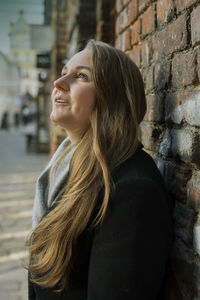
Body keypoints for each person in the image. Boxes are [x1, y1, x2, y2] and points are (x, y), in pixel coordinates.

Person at [27, 40, 174, 300]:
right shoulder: (64, 170)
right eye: (64, 72)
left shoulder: (132, 190)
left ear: (113, 96)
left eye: (81, 76)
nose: (58, 83)